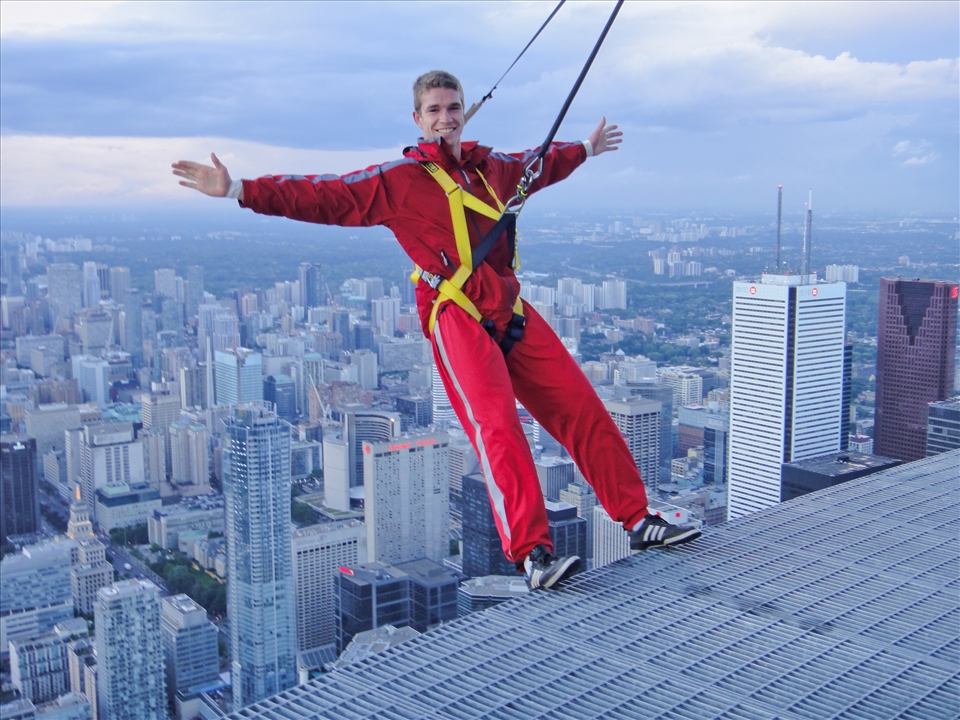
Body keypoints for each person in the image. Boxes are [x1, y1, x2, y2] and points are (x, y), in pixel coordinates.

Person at [173, 70, 700, 590]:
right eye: (435, 110)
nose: (445, 118)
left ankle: (636, 519)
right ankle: (534, 553)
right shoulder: (397, 182)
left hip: (507, 305)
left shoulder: (494, 168)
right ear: (418, 120)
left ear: (464, 111)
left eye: (453, 108)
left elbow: (538, 166)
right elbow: (324, 195)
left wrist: (584, 149)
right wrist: (239, 188)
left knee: (579, 405)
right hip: (455, 314)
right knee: (496, 427)